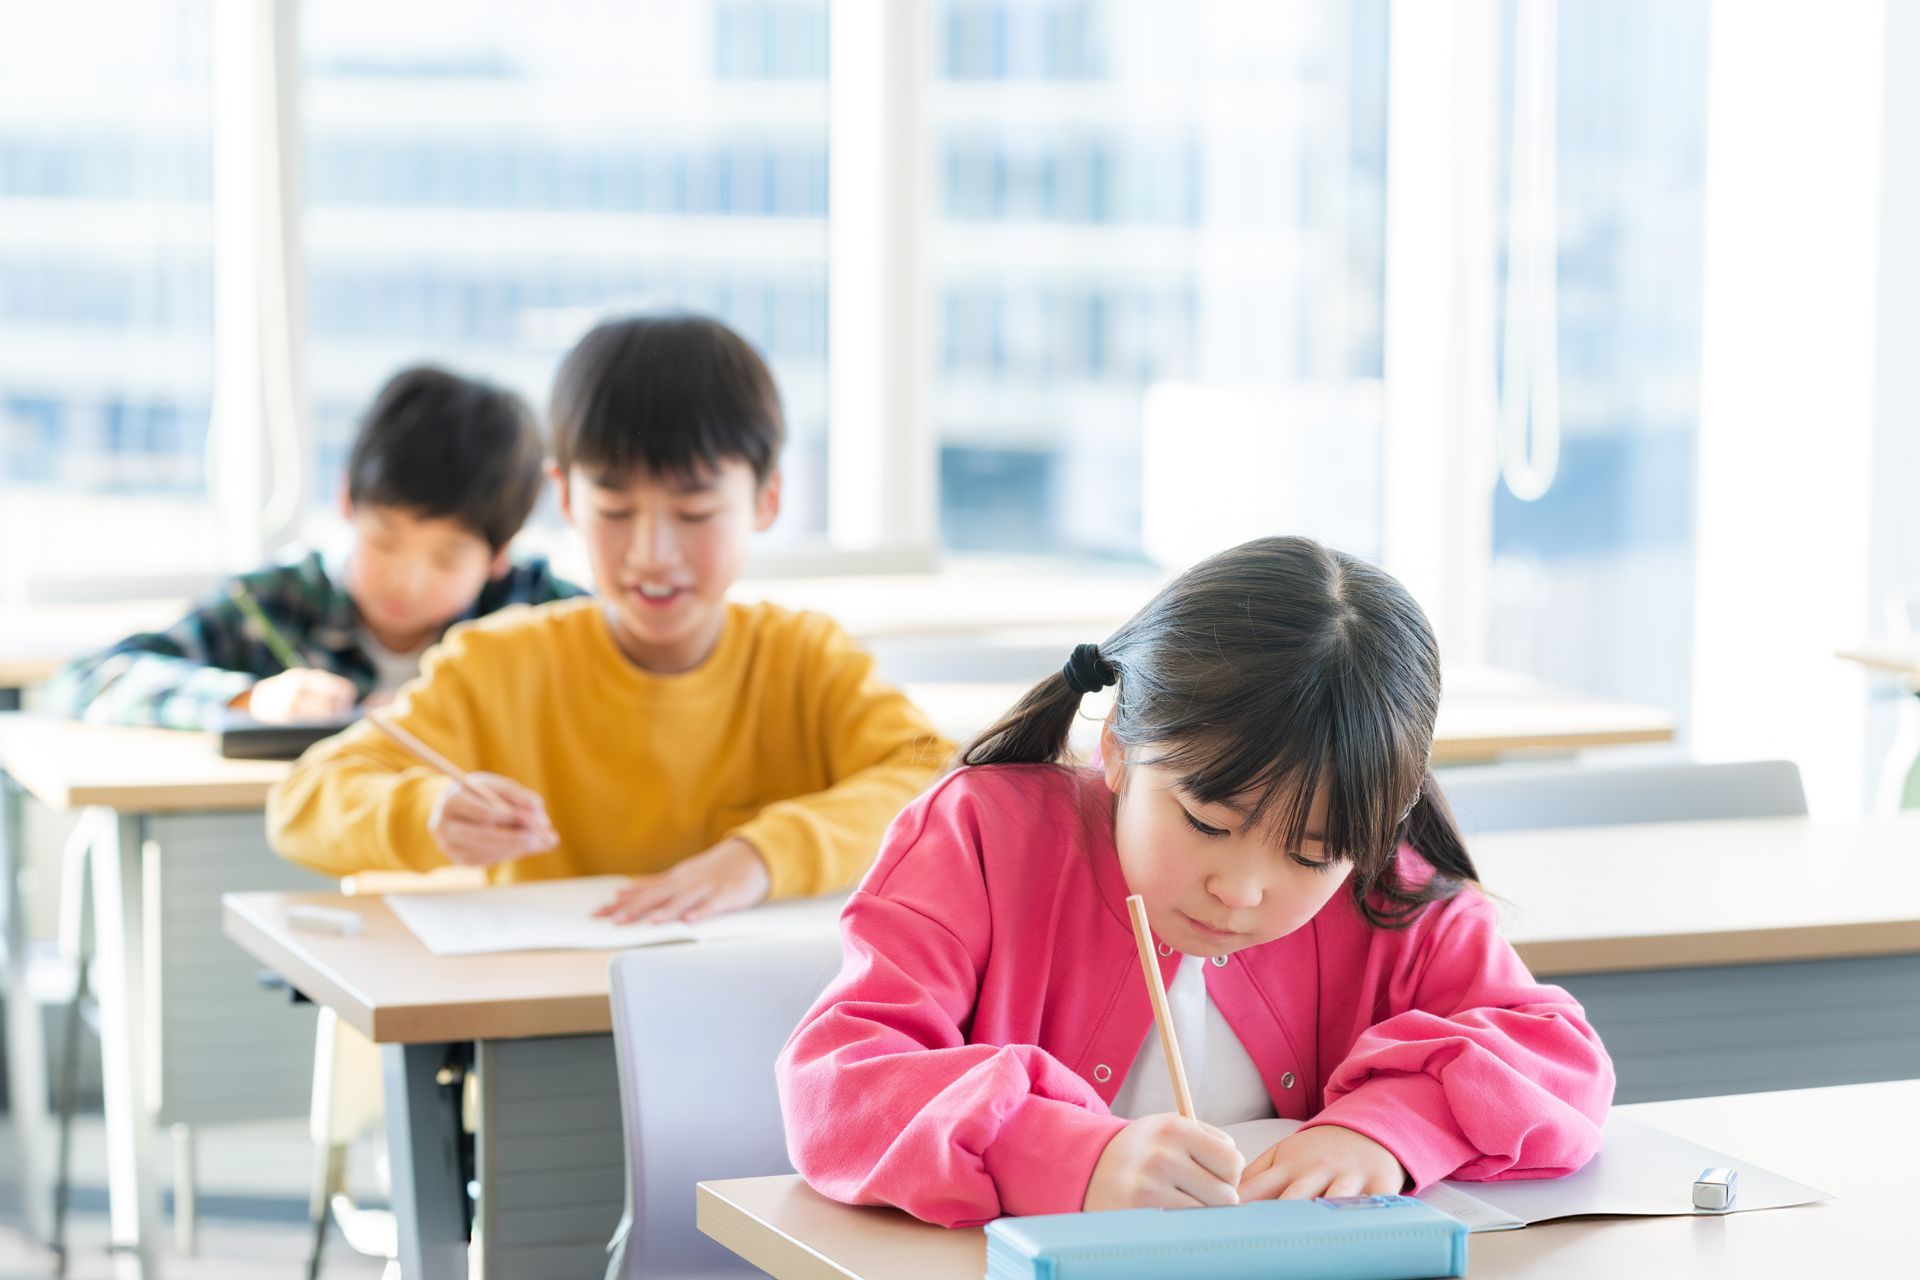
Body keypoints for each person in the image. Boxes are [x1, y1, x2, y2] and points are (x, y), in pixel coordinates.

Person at [778, 535, 1613, 1226]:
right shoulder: (982, 838)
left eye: (1313, 854)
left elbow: (1559, 1061)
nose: (1243, 890)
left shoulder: (1390, 891)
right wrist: (1072, 1158)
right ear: (1116, 748)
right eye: (1208, 823)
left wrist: (1387, 1133)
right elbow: (839, 1083)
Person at [268, 313, 952, 922]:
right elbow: (301, 804)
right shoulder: (500, 665)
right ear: (564, 497)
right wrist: (429, 814)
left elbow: (936, 783)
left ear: (766, 500)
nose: (651, 554)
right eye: (616, 512)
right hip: (549, 1026)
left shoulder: (804, 659)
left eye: (694, 513)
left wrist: (763, 856)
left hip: (760, 1031)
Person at [49, 365, 578, 728]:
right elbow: (88, 680)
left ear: (499, 553)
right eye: (385, 539)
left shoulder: (537, 611)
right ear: (346, 499)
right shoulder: (273, 603)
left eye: (446, 558)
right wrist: (252, 698)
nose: (407, 579)